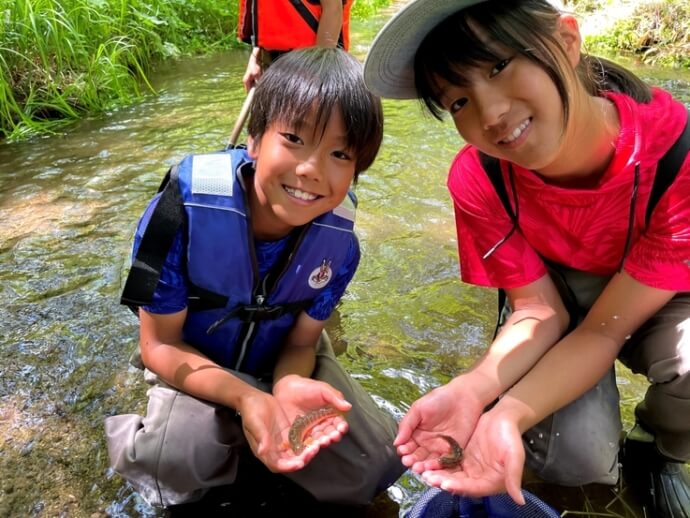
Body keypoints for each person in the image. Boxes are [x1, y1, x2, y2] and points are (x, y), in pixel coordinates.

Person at [362, 1, 690, 516]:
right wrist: (482, 399)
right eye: (458, 101)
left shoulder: (677, 153)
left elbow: (608, 328)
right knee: (575, 459)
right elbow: (539, 310)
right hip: (559, 295)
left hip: (652, 290)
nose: (490, 115)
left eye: (499, 65)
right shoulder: (480, 178)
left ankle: (658, 447)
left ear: (566, 40)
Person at [105, 46, 404, 509]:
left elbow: (302, 344)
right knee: (175, 463)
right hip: (196, 356)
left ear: (356, 170)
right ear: (255, 140)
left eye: (340, 153)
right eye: (294, 138)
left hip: (285, 356)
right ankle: (147, 429)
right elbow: (158, 345)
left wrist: (285, 388)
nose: (310, 169)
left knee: (377, 462)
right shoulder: (179, 213)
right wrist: (247, 399)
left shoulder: (341, 245)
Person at [238, 0, 353, 91]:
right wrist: (255, 57)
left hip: (312, 64)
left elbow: (333, 9)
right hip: (272, 63)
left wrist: (319, 74)